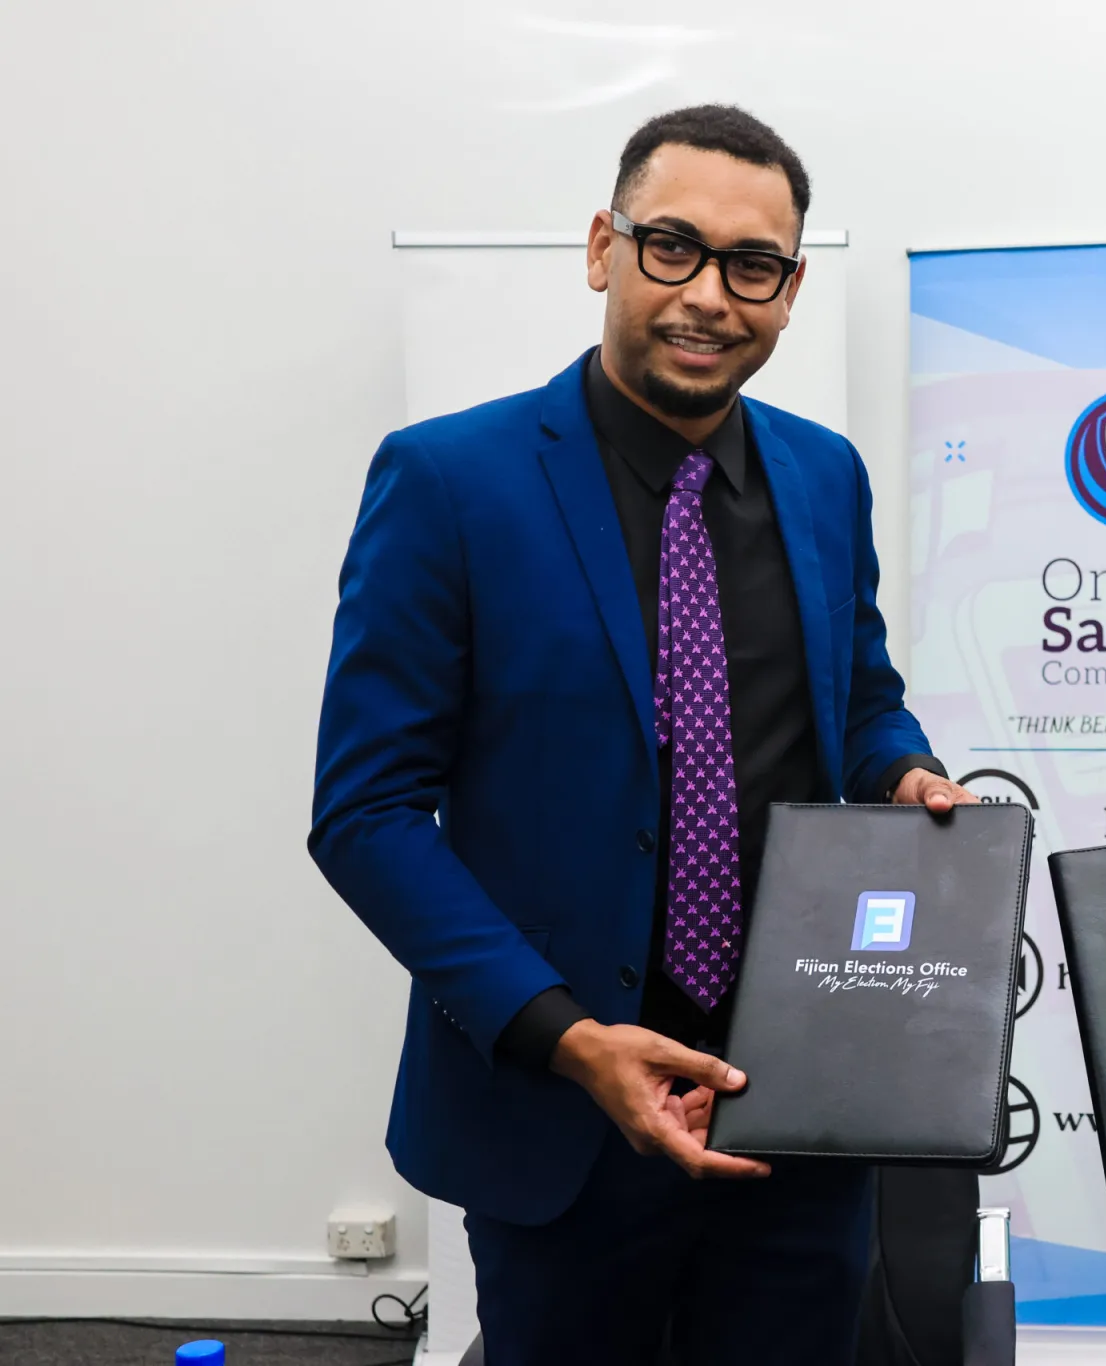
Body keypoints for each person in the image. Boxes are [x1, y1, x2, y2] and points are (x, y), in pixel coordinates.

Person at [309, 105, 976, 1365]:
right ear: (602, 248)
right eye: (672, 246)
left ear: (785, 294)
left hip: (801, 1096)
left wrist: (902, 770)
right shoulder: (450, 481)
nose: (709, 295)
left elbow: (858, 697)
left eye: (752, 266)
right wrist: (567, 1037)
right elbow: (366, 813)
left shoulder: (824, 474)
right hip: (559, 1101)